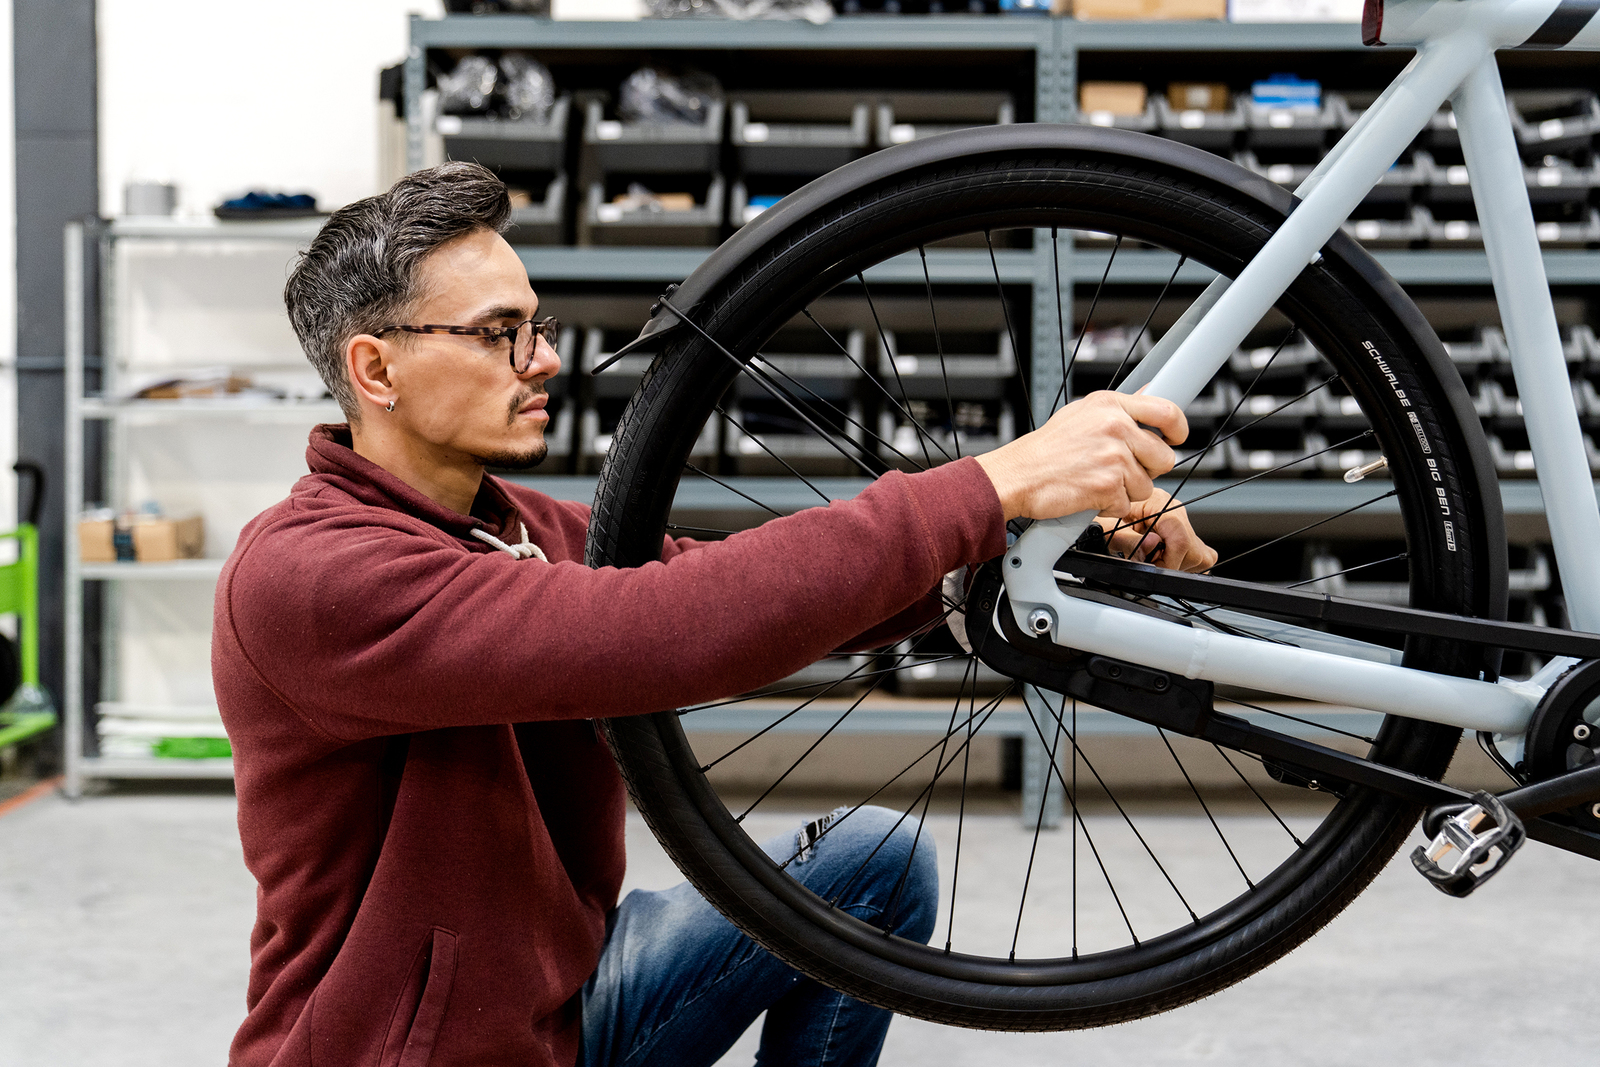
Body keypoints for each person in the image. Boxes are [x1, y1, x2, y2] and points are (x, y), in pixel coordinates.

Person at [213, 161, 1216, 1067]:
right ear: (374, 370)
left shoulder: (508, 525)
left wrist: (1024, 540)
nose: (544, 358)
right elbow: (651, 627)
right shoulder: (310, 575)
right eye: (495, 333)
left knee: (873, 861)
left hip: (564, 1004)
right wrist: (987, 484)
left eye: (538, 324)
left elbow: (735, 586)